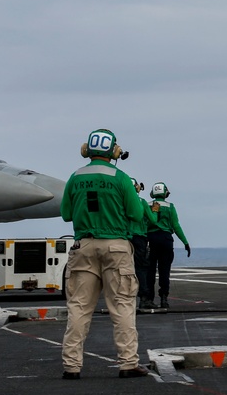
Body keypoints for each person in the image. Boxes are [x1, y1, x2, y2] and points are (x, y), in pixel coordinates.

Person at [60, 128, 149, 379]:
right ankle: (128, 363)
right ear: (114, 151)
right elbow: (136, 213)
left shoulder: (75, 177)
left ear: (86, 150)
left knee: (78, 307)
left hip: (83, 246)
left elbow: (66, 213)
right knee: (122, 305)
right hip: (116, 246)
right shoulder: (121, 177)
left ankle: (71, 366)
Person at [143, 182, 190, 310]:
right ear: (165, 193)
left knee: (149, 272)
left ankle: (149, 299)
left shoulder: (147, 205)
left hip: (150, 239)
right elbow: (176, 226)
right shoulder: (170, 206)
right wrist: (185, 242)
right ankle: (164, 299)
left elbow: (143, 224)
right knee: (165, 271)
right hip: (166, 240)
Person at [128, 178, 156, 311]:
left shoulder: (121, 202)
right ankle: (144, 299)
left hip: (123, 238)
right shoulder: (142, 202)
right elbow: (153, 221)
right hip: (139, 238)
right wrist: (154, 211)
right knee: (141, 268)